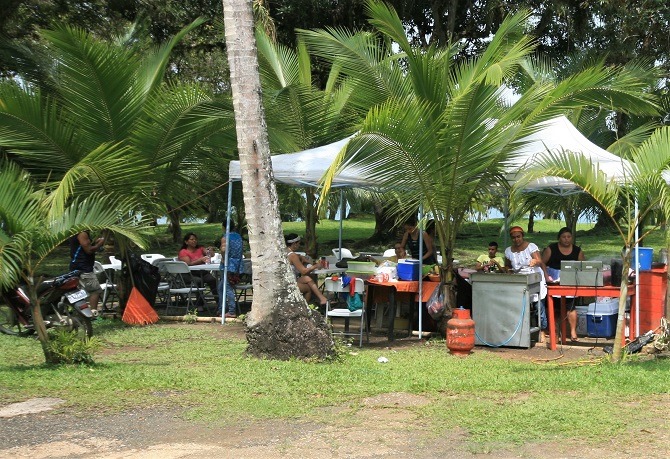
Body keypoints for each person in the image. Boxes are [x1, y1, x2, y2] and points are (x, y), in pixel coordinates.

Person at [542, 227, 585, 341]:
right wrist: (548, 276)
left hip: (571, 282)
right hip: (554, 282)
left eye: (569, 237)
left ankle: (573, 332)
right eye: (564, 237)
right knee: (554, 307)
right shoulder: (551, 249)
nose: (566, 239)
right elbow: (542, 263)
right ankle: (555, 332)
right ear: (559, 238)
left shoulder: (577, 251)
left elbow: (583, 267)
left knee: (571, 306)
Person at [504, 226, 549, 334]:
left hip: (535, 278)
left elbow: (539, 260)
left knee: (539, 306)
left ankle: (542, 330)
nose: (516, 239)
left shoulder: (531, 247)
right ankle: (522, 330)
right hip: (520, 280)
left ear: (522, 236)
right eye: (514, 238)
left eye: (518, 237)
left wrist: (534, 261)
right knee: (521, 306)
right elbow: (507, 266)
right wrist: (509, 273)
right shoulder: (508, 251)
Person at [285, 233, 328, 306]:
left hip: (289, 279)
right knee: (308, 289)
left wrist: (301, 257)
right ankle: (305, 308)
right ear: (294, 244)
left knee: (307, 278)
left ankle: (322, 298)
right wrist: (315, 266)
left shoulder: (285, 251)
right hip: (289, 283)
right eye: (298, 243)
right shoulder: (293, 255)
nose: (299, 245)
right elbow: (303, 271)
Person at [178, 232, 218, 307]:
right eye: (191, 239)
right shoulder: (183, 252)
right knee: (199, 281)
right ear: (186, 242)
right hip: (189, 274)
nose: (194, 241)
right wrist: (201, 260)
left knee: (212, 280)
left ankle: (219, 303)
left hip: (202, 272)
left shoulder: (200, 248)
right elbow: (188, 263)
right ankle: (200, 304)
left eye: (195, 239)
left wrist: (210, 251)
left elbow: (211, 254)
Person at [70, 231, 105, 315]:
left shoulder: (78, 232)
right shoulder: (82, 233)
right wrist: (99, 244)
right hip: (83, 267)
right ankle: (93, 313)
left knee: (78, 291)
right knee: (95, 291)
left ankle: (78, 313)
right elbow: (89, 250)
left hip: (78, 266)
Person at [218, 222, 244, 319]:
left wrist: (224, 258)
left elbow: (224, 249)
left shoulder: (225, 237)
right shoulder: (238, 237)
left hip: (228, 264)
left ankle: (232, 311)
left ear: (224, 227)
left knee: (227, 288)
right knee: (221, 287)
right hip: (238, 264)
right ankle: (221, 309)